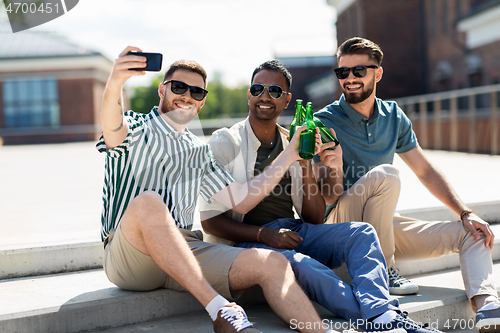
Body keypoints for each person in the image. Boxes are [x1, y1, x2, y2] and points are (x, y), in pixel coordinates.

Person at [97, 46, 350, 333]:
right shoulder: (136, 126)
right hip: (131, 254)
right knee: (149, 203)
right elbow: (111, 124)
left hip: (183, 250)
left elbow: (241, 202)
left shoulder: (199, 151)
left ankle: (322, 331)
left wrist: (290, 155)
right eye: (179, 87)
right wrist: (116, 79)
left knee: (272, 262)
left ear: (202, 102)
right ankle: (221, 309)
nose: (187, 96)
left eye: (197, 92)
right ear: (162, 90)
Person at [199, 59, 439, 333]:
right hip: (247, 245)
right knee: (306, 266)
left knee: (362, 233)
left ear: (287, 100)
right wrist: (262, 235)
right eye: (257, 89)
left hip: (292, 230)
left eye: (275, 91)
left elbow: (312, 216)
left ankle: (382, 316)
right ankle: (380, 320)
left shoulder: (293, 140)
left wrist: (307, 165)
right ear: (248, 94)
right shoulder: (225, 142)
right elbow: (210, 222)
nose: (265, 97)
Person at [313, 37, 499, 333]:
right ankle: (383, 270)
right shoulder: (323, 120)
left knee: (473, 233)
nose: (349, 79)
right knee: (386, 174)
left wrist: (465, 212)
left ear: (378, 73)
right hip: (339, 225)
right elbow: (321, 195)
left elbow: (424, 169)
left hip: (380, 226)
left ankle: (487, 308)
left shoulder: (393, 116)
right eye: (342, 72)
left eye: (358, 71)